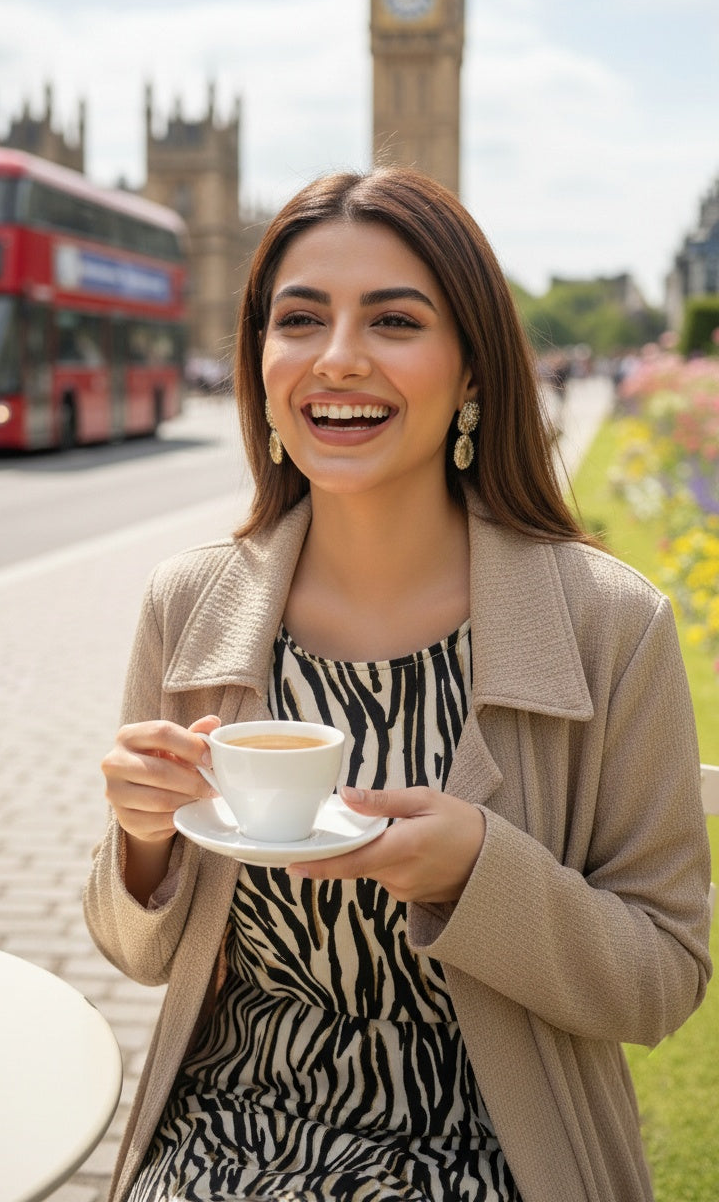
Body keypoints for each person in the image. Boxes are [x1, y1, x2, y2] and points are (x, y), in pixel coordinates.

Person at [85, 168, 712, 1202]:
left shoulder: (610, 624)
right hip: (223, 1140)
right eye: (300, 319)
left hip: (496, 1147)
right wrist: (143, 842)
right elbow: (136, 952)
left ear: (472, 370)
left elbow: (660, 981)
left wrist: (480, 872)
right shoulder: (187, 603)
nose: (338, 358)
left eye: (394, 320)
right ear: (260, 361)